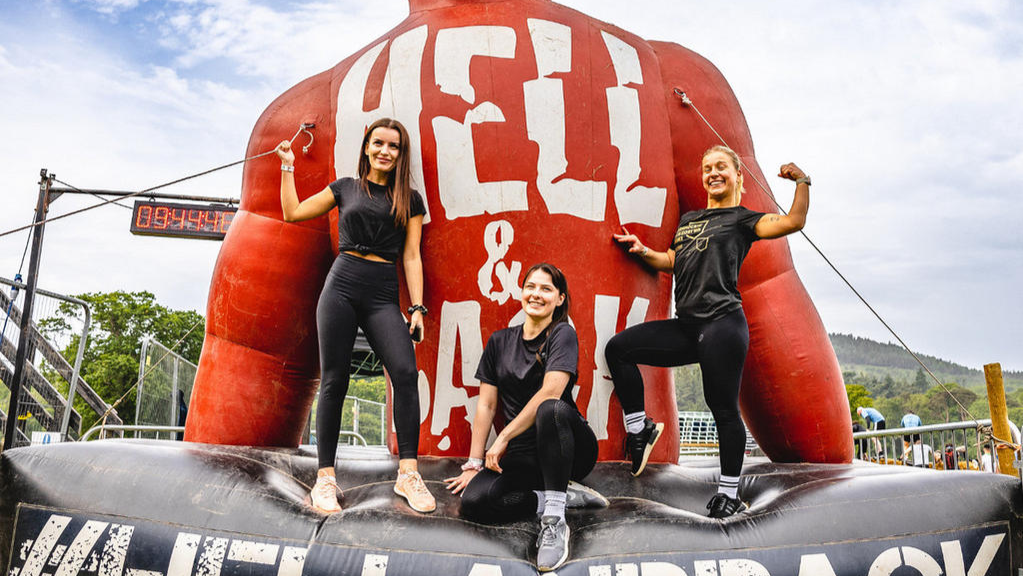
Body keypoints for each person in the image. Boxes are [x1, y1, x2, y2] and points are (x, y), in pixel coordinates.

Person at [604, 145, 813, 519]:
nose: (712, 174)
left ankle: (729, 493)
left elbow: (793, 222)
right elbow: (672, 259)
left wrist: (802, 181)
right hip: (688, 326)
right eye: (706, 169)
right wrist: (642, 251)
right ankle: (640, 429)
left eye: (721, 167)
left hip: (722, 325)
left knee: (722, 409)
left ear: (737, 176)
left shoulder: (743, 219)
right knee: (619, 349)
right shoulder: (689, 220)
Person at [276, 117, 435, 514]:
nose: (385, 151)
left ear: (401, 154)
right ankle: (325, 478)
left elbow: (412, 256)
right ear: (366, 146)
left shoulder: (410, 199)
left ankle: (408, 474)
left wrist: (416, 306)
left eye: (393, 146)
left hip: (382, 292)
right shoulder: (345, 188)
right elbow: (293, 213)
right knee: (335, 380)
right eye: (378, 143)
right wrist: (287, 164)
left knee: (403, 373)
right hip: (342, 286)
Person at [444, 263, 606, 572]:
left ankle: (555, 520)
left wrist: (502, 437)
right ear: (521, 292)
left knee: (550, 408)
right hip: (525, 455)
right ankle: (556, 497)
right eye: (531, 286)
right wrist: (474, 464)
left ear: (560, 299)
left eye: (546, 289)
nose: (536, 294)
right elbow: (487, 406)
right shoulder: (499, 342)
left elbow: (551, 393)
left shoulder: (562, 334)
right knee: (475, 501)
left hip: (567, 445)